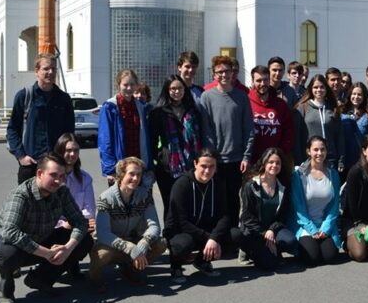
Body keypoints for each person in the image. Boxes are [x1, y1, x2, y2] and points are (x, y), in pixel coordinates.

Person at [0, 154, 94, 303]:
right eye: (53, 175)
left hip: (41, 238)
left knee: (84, 240)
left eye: (62, 176)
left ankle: (40, 279)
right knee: (6, 252)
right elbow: (10, 232)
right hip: (10, 244)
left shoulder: (62, 192)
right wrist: (47, 253)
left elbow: (80, 222)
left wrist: (67, 248)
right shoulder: (20, 195)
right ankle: (7, 289)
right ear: (40, 173)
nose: (58, 181)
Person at [89, 157, 167, 291]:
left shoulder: (145, 195)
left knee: (161, 244)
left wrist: (144, 242)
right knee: (103, 254)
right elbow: (103, 233)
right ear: (121, 175)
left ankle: (131, 269)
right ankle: (94, 278)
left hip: (133, 239)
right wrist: (129, 247)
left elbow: (154, 226)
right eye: (131, 174)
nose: (135, 178)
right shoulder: (106, 198)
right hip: (112, 244)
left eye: (139, 175)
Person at [163, 149, 234, 282]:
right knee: (183, 245)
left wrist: (214, 238)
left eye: (211, 166)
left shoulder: (218, 183)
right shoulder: (182, 184)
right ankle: (176, 266)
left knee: (236, 235)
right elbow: (181, 222)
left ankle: (202, 261)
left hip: (204, 231)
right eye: (203, 166)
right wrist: (210, 238)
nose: (207, 171)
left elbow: (225, 216)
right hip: (182, 232)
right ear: (195, 164)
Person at [199, 56, 255, 226]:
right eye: (220, 72)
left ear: (233, 73)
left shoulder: (242, 96)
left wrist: (246, 156)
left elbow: (248, 129)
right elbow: (206, 130)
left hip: (236, 159)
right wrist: (212, 158)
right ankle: (215, 234)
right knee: (214, 200)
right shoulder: (206, 97)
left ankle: (232, 234)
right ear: (214, 74)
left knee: (233, 201)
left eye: (227, 71)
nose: (224, 75)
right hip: (215, 161)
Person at [6, 53, 75, 184]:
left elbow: (69, 133)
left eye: (53, 69)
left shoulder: (64, 99)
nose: (51, 72)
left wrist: (68, 160)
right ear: (36, 71)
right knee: (28, 198)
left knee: (58, 198)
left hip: (57, 165)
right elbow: (12, 129)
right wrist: (21, 156)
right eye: (46, 68)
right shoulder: (24, 96)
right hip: (31, 165)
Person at [148, 75, 202, 218]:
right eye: (173, 89)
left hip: (192, 165)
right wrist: (161, 158)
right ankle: (170, 231)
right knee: (171, 204)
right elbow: (152, 141)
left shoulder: (193, 110)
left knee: (190, 204)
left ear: (185, 90)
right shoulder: (158, 113)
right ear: (167, 90)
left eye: (180, 88)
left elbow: (200, 135)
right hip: (168, 168)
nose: (177, 91)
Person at [237, 148, 297, 270]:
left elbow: (283, 215)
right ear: (264, 163)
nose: (274, 165)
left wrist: (272, 230)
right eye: (271, 162)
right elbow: (247, 217)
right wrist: (264, 233)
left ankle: (273, 249)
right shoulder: (251, 185)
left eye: (278, 163)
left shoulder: (283, 186)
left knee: (290, 241)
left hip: (272, 230)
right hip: (254, 232)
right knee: (268, 265)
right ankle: (252, 252)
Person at [290, 136, 341, 266]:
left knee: (330, 257)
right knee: (312, 257)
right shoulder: (298, 175)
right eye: (316, 149)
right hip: (305, 225)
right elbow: (298, 208)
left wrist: (326, 227)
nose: (319, 153)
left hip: (324, 225)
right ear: (308, 151)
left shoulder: (333, 174)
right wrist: (312, 229)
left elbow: (335, 205)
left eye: (322, 149)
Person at [98, 69, 153, 188]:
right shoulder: (109, 107)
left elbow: (146, 139)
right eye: (125, 85)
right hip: (120, 168)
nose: (129, 88)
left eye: (132, 84)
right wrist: (110, 169)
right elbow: (105, 140)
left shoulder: (141, 107)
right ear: (118, 85)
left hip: (139, 166)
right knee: (121, 199)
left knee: (141, 199)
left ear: (136, 85)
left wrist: (149, 166)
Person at [53, 133, 96, 278]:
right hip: (52, 226)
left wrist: (71, 222)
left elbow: (89, 211)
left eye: (76, 150)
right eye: (68, 150)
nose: (72, 154)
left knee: (88, 238)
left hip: (76, 225)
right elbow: (45, 211)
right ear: (59, 151)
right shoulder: (51, 178)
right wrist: (63, 223)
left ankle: (71, 262)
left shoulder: (85, 178)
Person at [292, 74, 345, 172]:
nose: (319, 90)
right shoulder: (303, 108)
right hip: (308, 159)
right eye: (315, 87)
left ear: (326, 89)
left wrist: (341, 159)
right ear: (311, 89)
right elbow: (296, 137)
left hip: (330, 159)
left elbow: (339, 136)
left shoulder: (333, 108)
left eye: (322, 87)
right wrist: (298, 160)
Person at [248, 65, 294, 170]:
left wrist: (281, 153)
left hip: (275, 162)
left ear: (269, 80)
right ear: (253, 82)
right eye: (258, 80)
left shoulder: (281, 105)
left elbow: (288, 132)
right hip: (252, 162)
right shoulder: (246, 103)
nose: (262, 84)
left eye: (265, 80)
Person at [340, 82, 368, 182]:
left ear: (364, 97)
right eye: (354, 94)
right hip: (345, 160)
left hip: (363, 160)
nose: (356, 97)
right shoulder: (342, 112)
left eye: (359, 94)